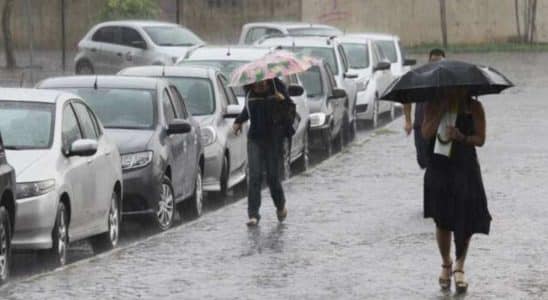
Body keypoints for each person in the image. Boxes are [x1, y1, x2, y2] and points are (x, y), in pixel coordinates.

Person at [421, 87, 492, 293]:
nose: (455, 91)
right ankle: (446, 263)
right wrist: (441, 111)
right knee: (442, 220)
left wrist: (461, 136)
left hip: (465, 169)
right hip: (440, 168)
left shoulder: (474, 108)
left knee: (466, 218)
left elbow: (480, 139)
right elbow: (425, 133)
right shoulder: (433, 105)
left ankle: (460, 266)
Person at [233, 78, 294, 226]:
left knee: (273, 177)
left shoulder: (277, 89)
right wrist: (238, 121)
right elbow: (247, 111)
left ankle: (280, 206)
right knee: (254, 175)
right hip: (255, 139)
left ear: (268, 81)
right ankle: (253, 214)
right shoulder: (250, 95)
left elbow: (290, 110)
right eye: (257, 83)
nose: (260, 85)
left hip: (273, 139)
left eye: (263, 82)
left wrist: (282, 100)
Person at [404, 48, 446, 169]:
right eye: (433, 61)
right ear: (428, 61)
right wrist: (407, 121)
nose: (436, 64)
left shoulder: (448, 79)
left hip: (442, 127)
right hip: (420, 126)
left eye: (439, 61)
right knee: (423, 162)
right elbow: (406, 98)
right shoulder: (419, 77)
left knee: (440, 163)